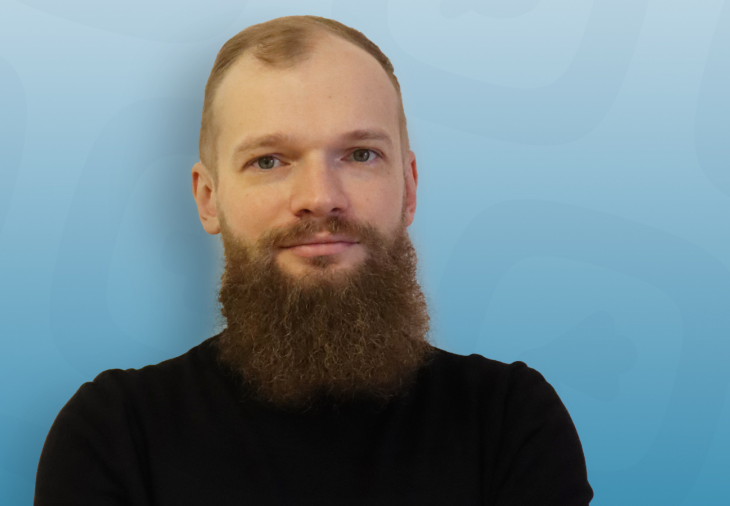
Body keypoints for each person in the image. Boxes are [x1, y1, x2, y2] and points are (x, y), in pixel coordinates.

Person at [34, 15, 593, 505]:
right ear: (208, 198)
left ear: (409, 187)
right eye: (269, 160)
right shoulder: (115, 434)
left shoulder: (508, 420)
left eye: (360, 154)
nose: (320, 197)